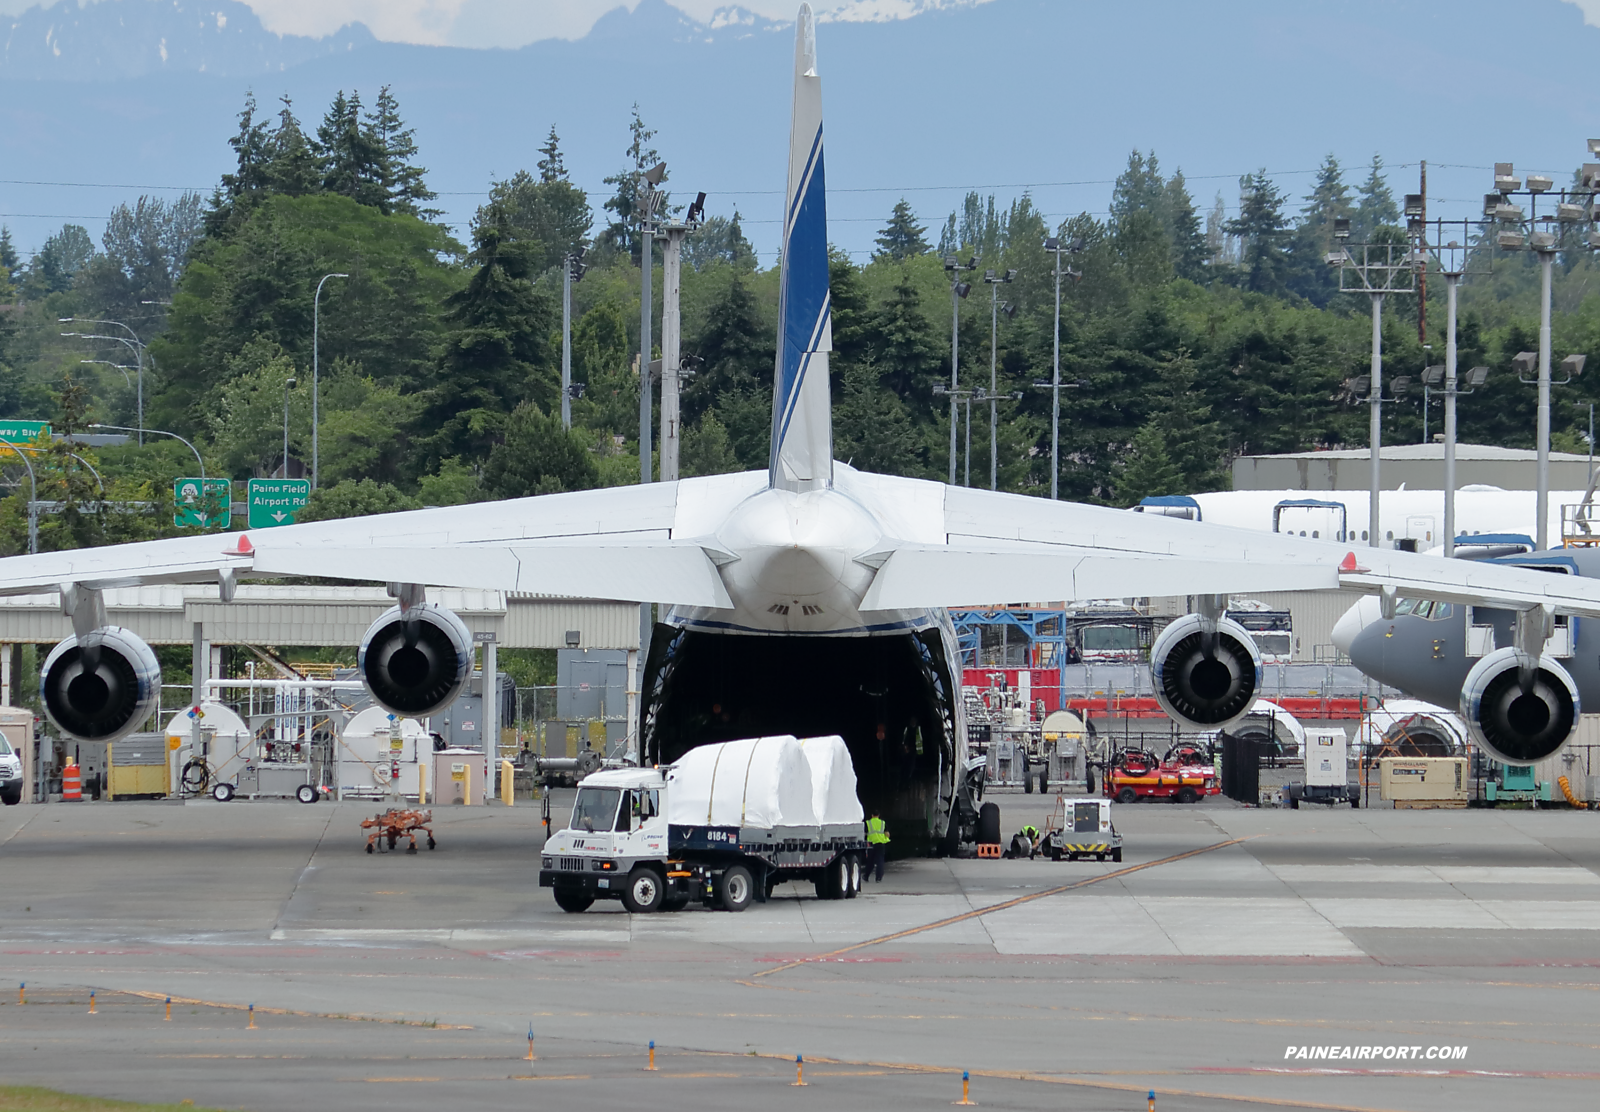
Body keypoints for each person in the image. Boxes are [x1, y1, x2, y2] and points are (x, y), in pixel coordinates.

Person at [865, 809, 890, 882]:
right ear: (879, 815)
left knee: (870, 861)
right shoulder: (883, 823)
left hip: (871, 844)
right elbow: (887, 834)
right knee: (880, 861)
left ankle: (866, 876)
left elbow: (864, 834)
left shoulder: (868, 823)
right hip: (881, 844)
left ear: (872, 815)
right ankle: (878, 878)